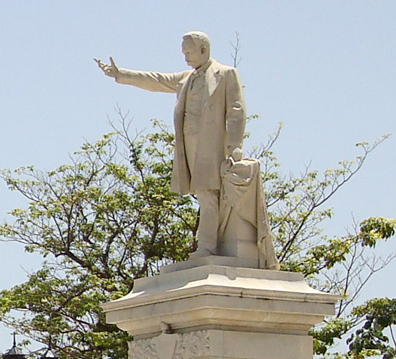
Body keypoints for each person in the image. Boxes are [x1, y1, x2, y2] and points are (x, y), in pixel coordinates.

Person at [97, 31, 274, 265]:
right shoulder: (186, 78)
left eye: (188, 53)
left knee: (208, 194)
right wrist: (121, 74)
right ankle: (210, 245)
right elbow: (156, 80)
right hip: (190, 145)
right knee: (204, 194)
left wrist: (234, 146)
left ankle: (208, 247)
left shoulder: (225, 74)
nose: (186, 58)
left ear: (203, 50)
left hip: (213, 145)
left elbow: (236, 110)